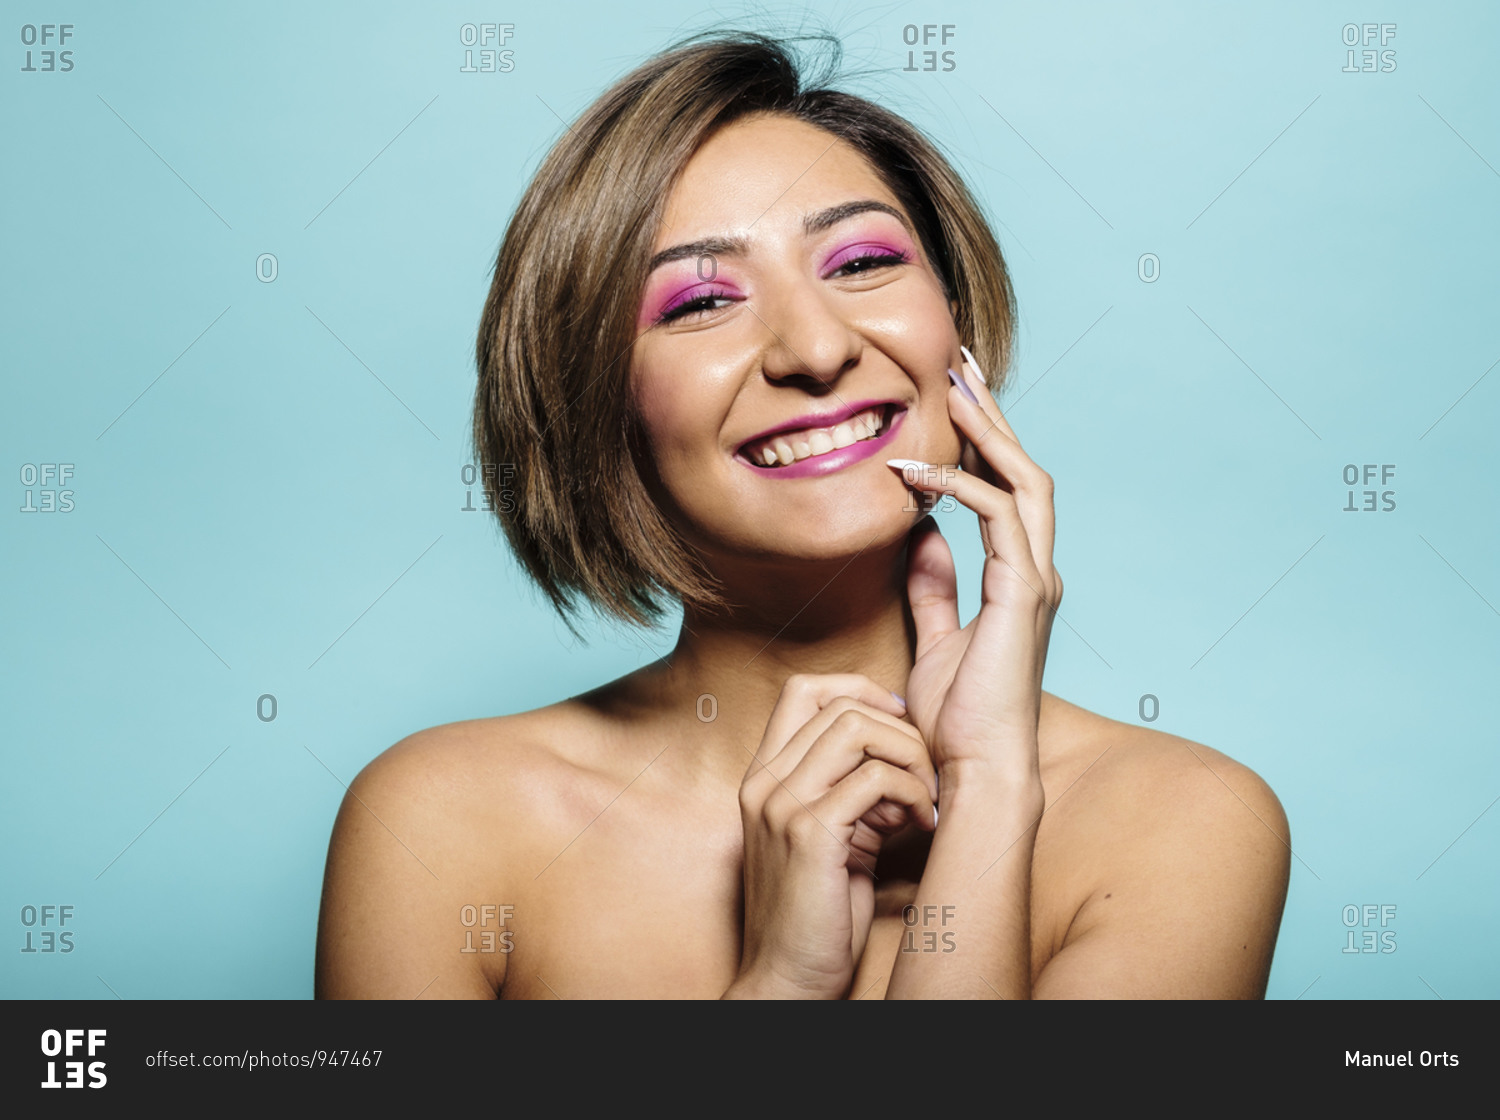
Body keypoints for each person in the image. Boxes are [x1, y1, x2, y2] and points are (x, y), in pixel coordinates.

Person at [315, 30, 1290, 999]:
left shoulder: (1184, 820)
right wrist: (780, 982)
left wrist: (991, 793)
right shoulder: (440, 828)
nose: (816, 348)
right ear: (593, 402)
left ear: (955, 330)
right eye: (700, 302)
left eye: (861, 261)